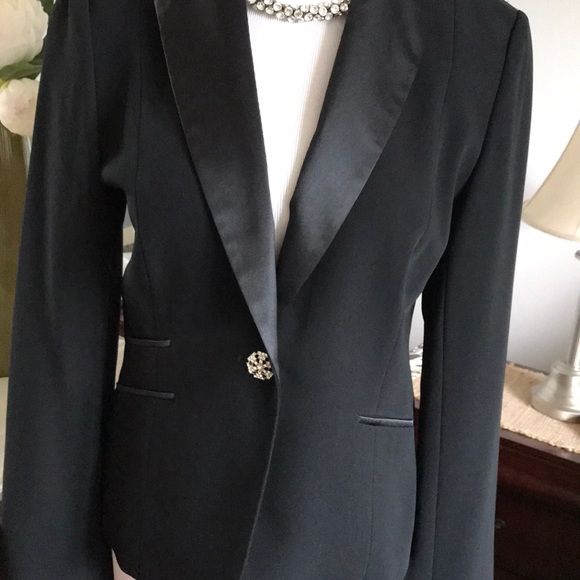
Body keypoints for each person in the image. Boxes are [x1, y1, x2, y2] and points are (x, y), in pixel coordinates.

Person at [1, 0, 533, 578]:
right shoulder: (108, 19)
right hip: (166, 518)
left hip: (352, 529)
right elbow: (59, 318)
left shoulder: (482, 42)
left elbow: (469, 358)